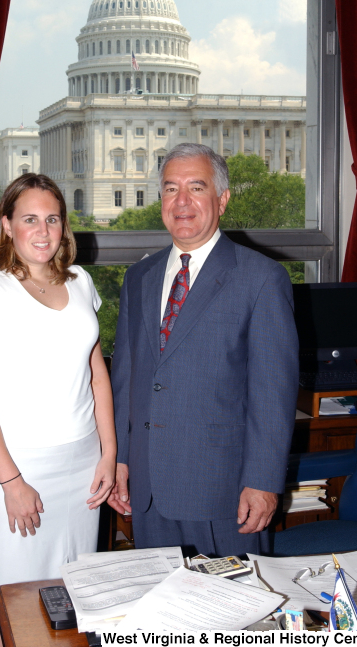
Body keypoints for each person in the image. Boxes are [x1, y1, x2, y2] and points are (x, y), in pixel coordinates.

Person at [107, 143, 299, 557]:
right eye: (170, 188)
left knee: (235, 616)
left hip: (224, 492)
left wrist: (264, 481)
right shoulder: (139, 278)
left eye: (196, 187)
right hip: (149, 489)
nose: (182, 202)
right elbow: (127, 380)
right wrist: (119, 460)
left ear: (222, 199)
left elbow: (274, 394)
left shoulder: (262, 278)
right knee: (164, 614)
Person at [0, 174, 116, 647]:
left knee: (70, 601)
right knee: (4, 603)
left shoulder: (81, 281)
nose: (43, 231)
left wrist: (107, 454)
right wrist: (11, 482)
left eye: (52, 219)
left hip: (82, 467)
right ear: (6, 225)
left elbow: (97, 375)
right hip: (18, 468)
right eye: (29, 219)